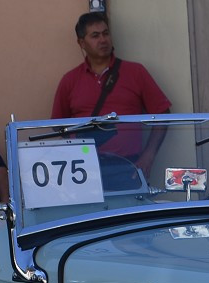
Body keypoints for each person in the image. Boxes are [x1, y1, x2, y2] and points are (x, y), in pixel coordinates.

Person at [51, 11, 171, 176]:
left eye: (105, 33)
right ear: (81, 43)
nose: (103, 40)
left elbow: (162, 115)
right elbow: (58, 126)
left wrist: (148, 156)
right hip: (83, 170)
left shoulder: (135, 72)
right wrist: (76, 153)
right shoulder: (70, 80)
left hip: (129, 166)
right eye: (95, 36)